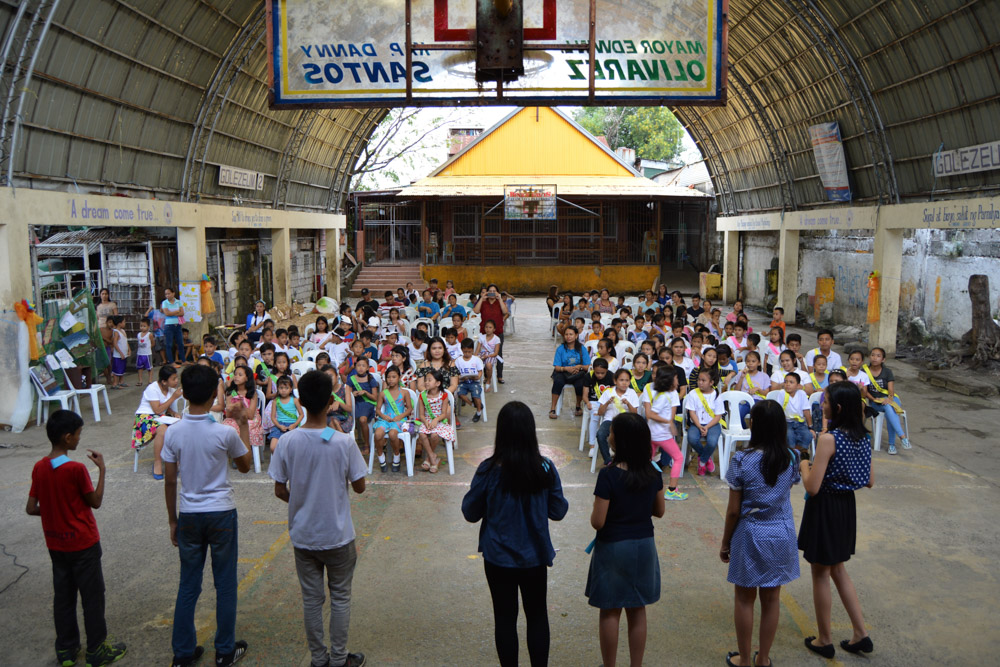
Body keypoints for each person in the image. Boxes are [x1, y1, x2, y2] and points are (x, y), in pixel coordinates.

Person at [268, 370, 367, 667]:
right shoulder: (342, 442)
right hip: (337, 535)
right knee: (340, 597)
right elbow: (360, 486)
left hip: (304, 535)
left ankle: (318, 658)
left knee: (312, 600)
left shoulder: (287, 442)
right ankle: (338, 658)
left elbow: (279, 489)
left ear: (301, 400)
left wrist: (303, 500)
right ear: (330, 403)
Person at [462, 401, 568, 667]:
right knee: (537, 616)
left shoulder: (488, 470)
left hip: (498, 558)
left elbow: (470, 512)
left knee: (505, 619)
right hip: (534, 557)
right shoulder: (544, 468)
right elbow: (558, 511)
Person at [163, 365, 254, 667]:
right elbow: (245, 466)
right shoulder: (223, 432)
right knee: (225, 583)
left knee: (189, 584)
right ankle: (225, 651)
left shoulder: (173, 432)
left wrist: (172, 520)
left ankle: (183, 653)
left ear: (185, 394)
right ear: (214, 393)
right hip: (221, 513)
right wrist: (241, 423)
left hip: (189, 513)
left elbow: (170, 480)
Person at [26, 410, 127, 667]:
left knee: (64, 596)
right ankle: (96, 649)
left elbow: (31, 507)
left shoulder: (40, 467)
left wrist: (54, 512)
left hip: (56, 543)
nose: (80, 439)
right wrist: (102, 470)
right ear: (68, 437)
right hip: (83, 543)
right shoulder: (76, 469)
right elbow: (95, 501)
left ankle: (66, 650)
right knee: (92, 597)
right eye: (79, 435)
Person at [720, 400, 802, 667]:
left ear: (754, 425)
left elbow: (733, 511)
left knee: (745, 598)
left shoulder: (742, 459)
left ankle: (744, 660)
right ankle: (763, 659)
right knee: (772, 598)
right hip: (781, 530)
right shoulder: (792, 457)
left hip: (750, 531)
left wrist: (725, 542)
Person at [798, 382, 874, 660]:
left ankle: (824, 639)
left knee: (820, 573)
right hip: (845, 509)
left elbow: (812, 487)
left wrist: (805, 465)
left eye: (826, 401)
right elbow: (869, 480)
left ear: (837, 408)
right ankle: (860, 633)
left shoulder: (829, 439)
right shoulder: (862, 438)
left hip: (825, 507)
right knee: (839, 570)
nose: (822, 405)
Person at [586, 413, 665, 667]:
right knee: (637, 608)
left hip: (613, 547)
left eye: (611, 433)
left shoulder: (608, 475)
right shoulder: (653, 472)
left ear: (620, 441)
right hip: (644, 545)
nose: (608, 436)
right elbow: (659, 511)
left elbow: (598, 521)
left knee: (610, 610)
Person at [643, 365, 686, 500]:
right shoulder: (665, 396)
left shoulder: (670, 394)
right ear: (669, 381)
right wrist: (668, 422)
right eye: (675, 378)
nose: (678, 381)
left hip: (654, 434)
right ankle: (672, 490)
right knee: (678, 458)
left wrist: (670, 421)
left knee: (647, 460)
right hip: (660, 435)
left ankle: (643, 486)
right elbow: (651, 414)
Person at [133, 365, 184, 480]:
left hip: (160, 417)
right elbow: (157, 409)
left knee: (179, 426)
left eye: (176, 378)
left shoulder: (170, 389)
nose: (176, 381)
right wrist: (174, 398)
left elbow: (165, 408)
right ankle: (157, 462)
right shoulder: (152, 388)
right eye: (174, 379)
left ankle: (174, 460)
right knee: (163, 430)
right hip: (145, 418)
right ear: (164, 381)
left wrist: (174, 412)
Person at [863, 347, 909, 454]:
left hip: (891, 398)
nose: (875, 358)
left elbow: (891, 390)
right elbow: (865, 391)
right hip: (875, 401)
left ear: (883, 359)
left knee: (889, 407)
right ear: (869, 357)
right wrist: (875, 399)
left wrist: (888, 399)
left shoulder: (887, 372)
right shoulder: (864, 371)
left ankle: (894, 444)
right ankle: (900, 438)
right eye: (873, 355)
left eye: (878, 356)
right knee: (889, 409)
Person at [371, 365, 413, 472]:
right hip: (385, 419)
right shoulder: (383, 393)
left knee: (393, 434)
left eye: (394, 377)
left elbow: (409, 409)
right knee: (378, 434)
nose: (391, 380)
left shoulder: (405, 392)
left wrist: (400, 416)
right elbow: (378, 410)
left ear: (399, 377)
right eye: (388, 377)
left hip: (399, 420)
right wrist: (384, 416)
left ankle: (397, 456)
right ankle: (381, 457)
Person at [685, 368, 725, 476]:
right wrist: (699, 426)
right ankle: (707, 458)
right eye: (699, 380)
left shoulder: (716, 395)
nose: (700, 382)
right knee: (692, 438)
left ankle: (702, 461)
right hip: (696, 424)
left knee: (712, 442)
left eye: (703, 380)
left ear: (711, 382)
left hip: (713, 424)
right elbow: (692, 413)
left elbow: (718, 416)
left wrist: (707, 427)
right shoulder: (693, 393)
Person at [595, 369, 640, 465]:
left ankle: (627, 460)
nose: (624, 383)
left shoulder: (632, 393)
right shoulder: (608, 392)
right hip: (609, 420)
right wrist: (607, 402)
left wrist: (628, 404)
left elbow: (635, 413)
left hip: (626, 421)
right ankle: (608, 460)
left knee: (630, 436)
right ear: (615, 381)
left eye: (627, 380)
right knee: (600, 434)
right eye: (621, 380)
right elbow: (600, 412)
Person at [416, 369, 454, 474]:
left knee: (434, 435)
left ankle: (429, 458)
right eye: (425, 380)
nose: (426, 382)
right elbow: (421, 415)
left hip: (439, 421)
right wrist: (426, 422)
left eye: (429, 380)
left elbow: (443, 414)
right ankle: (432, 456)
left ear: (438, 383)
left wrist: (436, 420)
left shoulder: (444, 395)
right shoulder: (422, 396)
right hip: (427, 420)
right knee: (422, 434)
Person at [549, 326, 591, 418]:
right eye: (566, 334)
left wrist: (579, 367)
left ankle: (578, 406)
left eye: (571, 334)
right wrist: (566, 369)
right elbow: (557, 367)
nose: (568, 336)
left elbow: (587, 366)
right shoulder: (560, 349)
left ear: (576, 335)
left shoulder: (582, 348)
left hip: (577, 373)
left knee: (581, 384)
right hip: (563, 372)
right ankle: (552, 409)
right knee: (558, 382)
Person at [473, 284, 509, 383]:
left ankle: (499, 376)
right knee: (484, 353)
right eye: (490, 291)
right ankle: (486, 376)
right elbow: (475, 311)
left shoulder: (499, 302)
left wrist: (500, 298)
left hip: (498, 332)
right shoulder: (483, 303)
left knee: (499, 354)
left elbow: (505, 312)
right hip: (485, 333)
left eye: (494, 291)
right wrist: (482, 298)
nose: (492, 293)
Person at [269, 376, 303, 453]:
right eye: (281, 388)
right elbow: (273, 417)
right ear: (277, 388)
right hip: (279, 426)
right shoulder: (275, 401)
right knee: (273, 447)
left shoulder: (295, 400)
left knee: (293, 449)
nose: (283, 390)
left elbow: (301, 415)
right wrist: (279, 426)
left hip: (292, 426)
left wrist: (295, 425)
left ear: (291, 389)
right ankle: (278, 462)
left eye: (286, 388)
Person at [455, 338, 485, 423]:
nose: (467, 354)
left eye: (469, 351)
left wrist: (477, 377)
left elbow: (480, 371)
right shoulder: (458, 360)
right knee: (460, 393)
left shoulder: (476, 359)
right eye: (465, 352)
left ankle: (478, 412)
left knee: (476, 394)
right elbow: (456, 374)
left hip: (474, 382)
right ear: (462, 350)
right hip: (463, 382)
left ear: (472, 350)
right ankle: (473, 404)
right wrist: (461, 378)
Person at [161, 287, 185, 367]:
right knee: (169, 344)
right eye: (166, 294)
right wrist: (176, 311)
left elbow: (182, 313)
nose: (167, 295)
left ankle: (183, 360)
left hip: (177, 325)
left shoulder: (178, 302)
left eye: (169, 293)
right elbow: (167, 313)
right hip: (169, 325)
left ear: (173, 293)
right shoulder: (165, 303)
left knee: (180, 343)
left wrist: (172, 312)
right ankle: (171, 362)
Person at [475, 319, 502, 390]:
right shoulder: (482, 337)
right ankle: (475, 381)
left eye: (490, 327)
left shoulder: (497, 339)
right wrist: (475, 357)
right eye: (486, 327)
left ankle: (488, 380)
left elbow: (496, 353)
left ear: (494, 329)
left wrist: (487, 356)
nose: (488, 329)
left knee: (488, 365)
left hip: (491, 355)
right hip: (482, 354)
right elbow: (477, 350)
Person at [110, 315, 130, 389]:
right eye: (123, 322)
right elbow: (115, 343)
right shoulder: (116, 332)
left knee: (122, 368)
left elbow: (125, 341)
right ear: (119, 323)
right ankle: (115, 383)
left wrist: (129, 349)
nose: (125, 323)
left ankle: (121, 382)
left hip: (124, 353)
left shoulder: (123, 331)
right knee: (117, 369)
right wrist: (121, 353)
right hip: (118, 355)